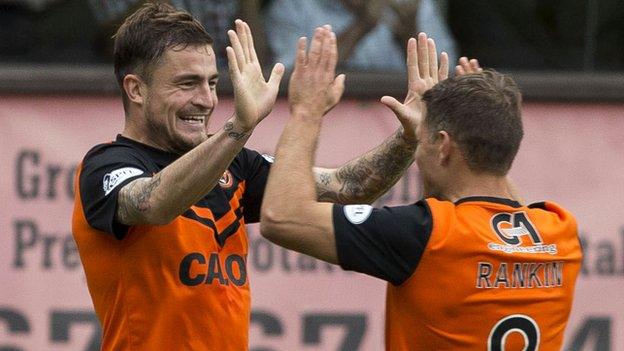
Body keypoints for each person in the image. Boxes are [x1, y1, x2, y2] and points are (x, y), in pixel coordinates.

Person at [72, 4, 424, 350]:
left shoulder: (235, 164)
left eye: (212, 83)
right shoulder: (105, 166)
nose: (206, 100)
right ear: (136, 89)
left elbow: (350, 187)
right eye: (188, 84)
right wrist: (240, 126)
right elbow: (153, 204)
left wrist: (409, 138)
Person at [260, 29, 583, 350]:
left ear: (443, 146)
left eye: (425, 139)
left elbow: (282, 217)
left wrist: (306, 112)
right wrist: (484, 115)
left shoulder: (426, 235)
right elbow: (494, 199)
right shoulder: (561, 232)